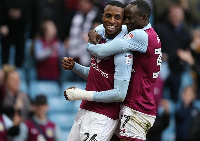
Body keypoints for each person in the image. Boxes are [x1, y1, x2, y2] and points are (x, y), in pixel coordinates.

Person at [64, 0, 162, 141]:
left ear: (143, 18)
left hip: (136, 108)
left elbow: (102, 51)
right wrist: (94, 32)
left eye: (127, 18)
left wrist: (89, 43)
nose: (125, 23)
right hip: (126, 105)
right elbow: (96, 74)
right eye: (108, 16)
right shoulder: (138, 33)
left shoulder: (137, 38)